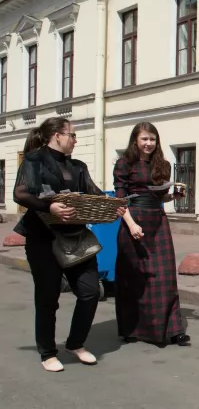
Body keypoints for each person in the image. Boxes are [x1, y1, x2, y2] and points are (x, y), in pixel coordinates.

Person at [13, 117, 125, 372]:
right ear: (56, 136)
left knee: (89, 292)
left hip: (76, 236)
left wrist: (114, 205)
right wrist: (49, 206)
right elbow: (20, 194)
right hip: (43, 238)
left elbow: (94, 194)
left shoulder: (78, 166)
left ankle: (75, 343)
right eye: (72, 135)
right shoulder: (34, 160)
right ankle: (47, 351)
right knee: (47, 298)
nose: (75, 140)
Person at [113, 122, 190, 347]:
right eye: (144, 139)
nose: (148, 143)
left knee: (165, 276)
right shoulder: (124, 163)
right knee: (134, 276)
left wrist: (171, 197)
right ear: (135, 140)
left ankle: (173, 329)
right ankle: (132, 329)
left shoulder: (162, 165)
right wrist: (131, 224)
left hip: (157, 221)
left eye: (152, 139)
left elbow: (159, 196)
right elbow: (119, 200)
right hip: (133, 221)